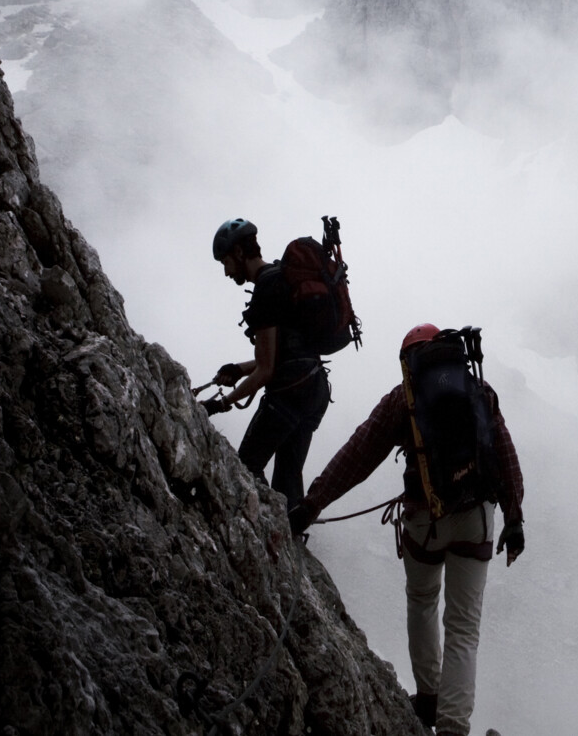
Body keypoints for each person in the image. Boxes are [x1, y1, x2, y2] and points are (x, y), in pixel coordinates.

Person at [289, 324, 526, 736]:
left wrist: (312, 504)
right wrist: (515, 517)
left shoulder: (404, 398)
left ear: (408, 362)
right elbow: (504, 452)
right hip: (477, 520)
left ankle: (429, 696)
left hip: (424, 520)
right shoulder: (477, 390)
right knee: (464, 627)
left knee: (421, 601)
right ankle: (453, 727)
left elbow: (358, 454)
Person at [210, 218, 331, 507]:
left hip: (289, 394)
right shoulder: (281, 277)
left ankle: (270, 539)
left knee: (246, 467)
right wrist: (238, 370)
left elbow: (267, 370)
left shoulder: (266, 288)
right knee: (288, 480)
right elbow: (281, 353)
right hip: (315, 389)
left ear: (239, 254)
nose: (226, 272)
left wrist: (221, 404)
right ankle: (291, 538)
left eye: (225, 262)